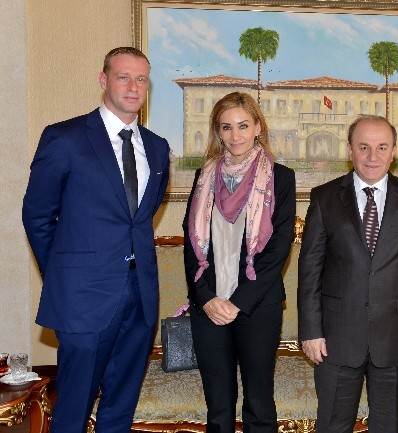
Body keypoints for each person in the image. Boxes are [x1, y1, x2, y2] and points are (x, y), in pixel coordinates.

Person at [22, 47, 170, 433]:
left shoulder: (157, 148)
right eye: (124, 77)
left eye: (141, 79)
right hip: (82, 298)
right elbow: (37, 216)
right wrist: (65, 277)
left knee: (120, 409)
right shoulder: (65, 138)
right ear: (104, 80)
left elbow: (140, 218)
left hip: (141, 296)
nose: (133, 87)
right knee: (73, 410)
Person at [298, 115, 398, 433]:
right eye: (363, 147)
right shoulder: (324, 198)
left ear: (393, 152)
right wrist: (311, 331)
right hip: (336, 340)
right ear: (350, 150)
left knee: (388, 426)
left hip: (394, 338)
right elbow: (309, 271)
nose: (372, 156)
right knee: (333, 425)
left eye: (381, 147)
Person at [183, 92, 296, 433]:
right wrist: (206, 299)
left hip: (257, 306)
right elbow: (191, 245)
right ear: (217, 131)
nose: (235, 136)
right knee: (218, 408)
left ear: (258, 127)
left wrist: (237, 303)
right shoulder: (203, 177)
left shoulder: (281, 178)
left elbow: (277, 249)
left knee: (259, 405)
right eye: (226, 127)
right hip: (208, 306)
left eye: (243, 126)